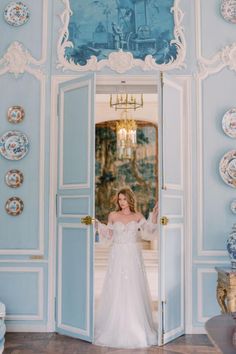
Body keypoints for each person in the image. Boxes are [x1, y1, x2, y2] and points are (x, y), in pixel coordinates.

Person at [94, 187, 159, 348]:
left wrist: (156, 215)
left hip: (132, 255)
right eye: (119, 199)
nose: (121, 202)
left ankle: (135, 326)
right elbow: (109, 235)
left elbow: (149, 231)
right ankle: (114, 325)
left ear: (130, 199)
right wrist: (96, 224)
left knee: (133, 288)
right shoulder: (113, 215)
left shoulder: (137, 216)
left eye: (124, 199)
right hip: (117, 255)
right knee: (116, 287)